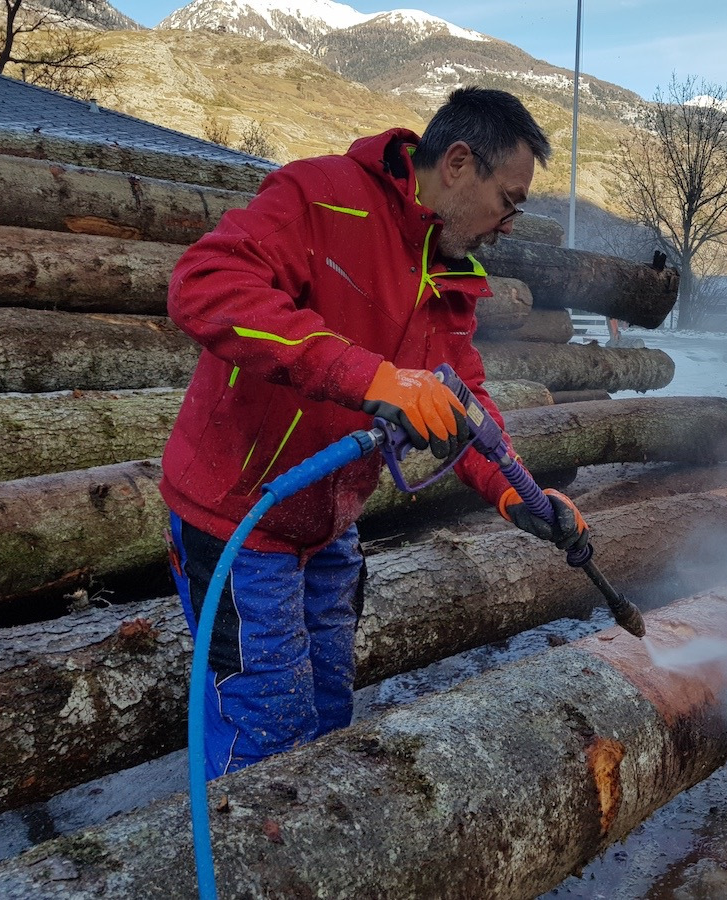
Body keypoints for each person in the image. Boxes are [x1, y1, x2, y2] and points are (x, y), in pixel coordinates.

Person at [162, 87, 590, 778]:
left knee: (330, 710)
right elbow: (205, 285)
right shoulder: (321, 195)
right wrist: (373, 379)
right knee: (266, 732)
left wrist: (519, 493)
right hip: (242, 515)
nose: (509, 223)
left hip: (329, 525)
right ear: (457, 163)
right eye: (509, 199)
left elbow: (467, 400)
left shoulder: (451, 275)